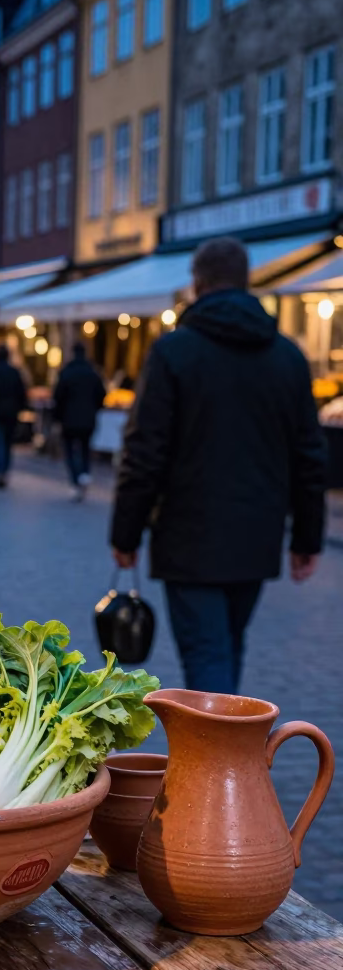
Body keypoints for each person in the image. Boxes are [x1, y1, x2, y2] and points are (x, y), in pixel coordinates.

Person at [110, 236, 326, 695]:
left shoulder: (174, 352)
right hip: (257, 533)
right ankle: (236, 754)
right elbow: (310, 453)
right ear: (247, 281)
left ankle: (223, 761)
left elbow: (144, 451)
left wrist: (126, 534)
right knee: (228, 645)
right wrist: (307, 536)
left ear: (196, 284)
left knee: (208, 655)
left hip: (189, 536)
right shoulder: (287, 356)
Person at [53, 343, 106, 501]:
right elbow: (101, 394)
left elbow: (58, 396)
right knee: (85, 448)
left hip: (68, 419)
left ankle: (76, 479)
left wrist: (58, 417)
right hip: (88, 418)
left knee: (69, 450)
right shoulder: (93, 373)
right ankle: (84, 474)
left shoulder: (67, 372)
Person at [0, 345, 28, 488]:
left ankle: (0, 471)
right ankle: (4, 470)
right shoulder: (14, 372)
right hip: (11, 412)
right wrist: (21, 408)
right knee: (8, 443)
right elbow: (22, 392)